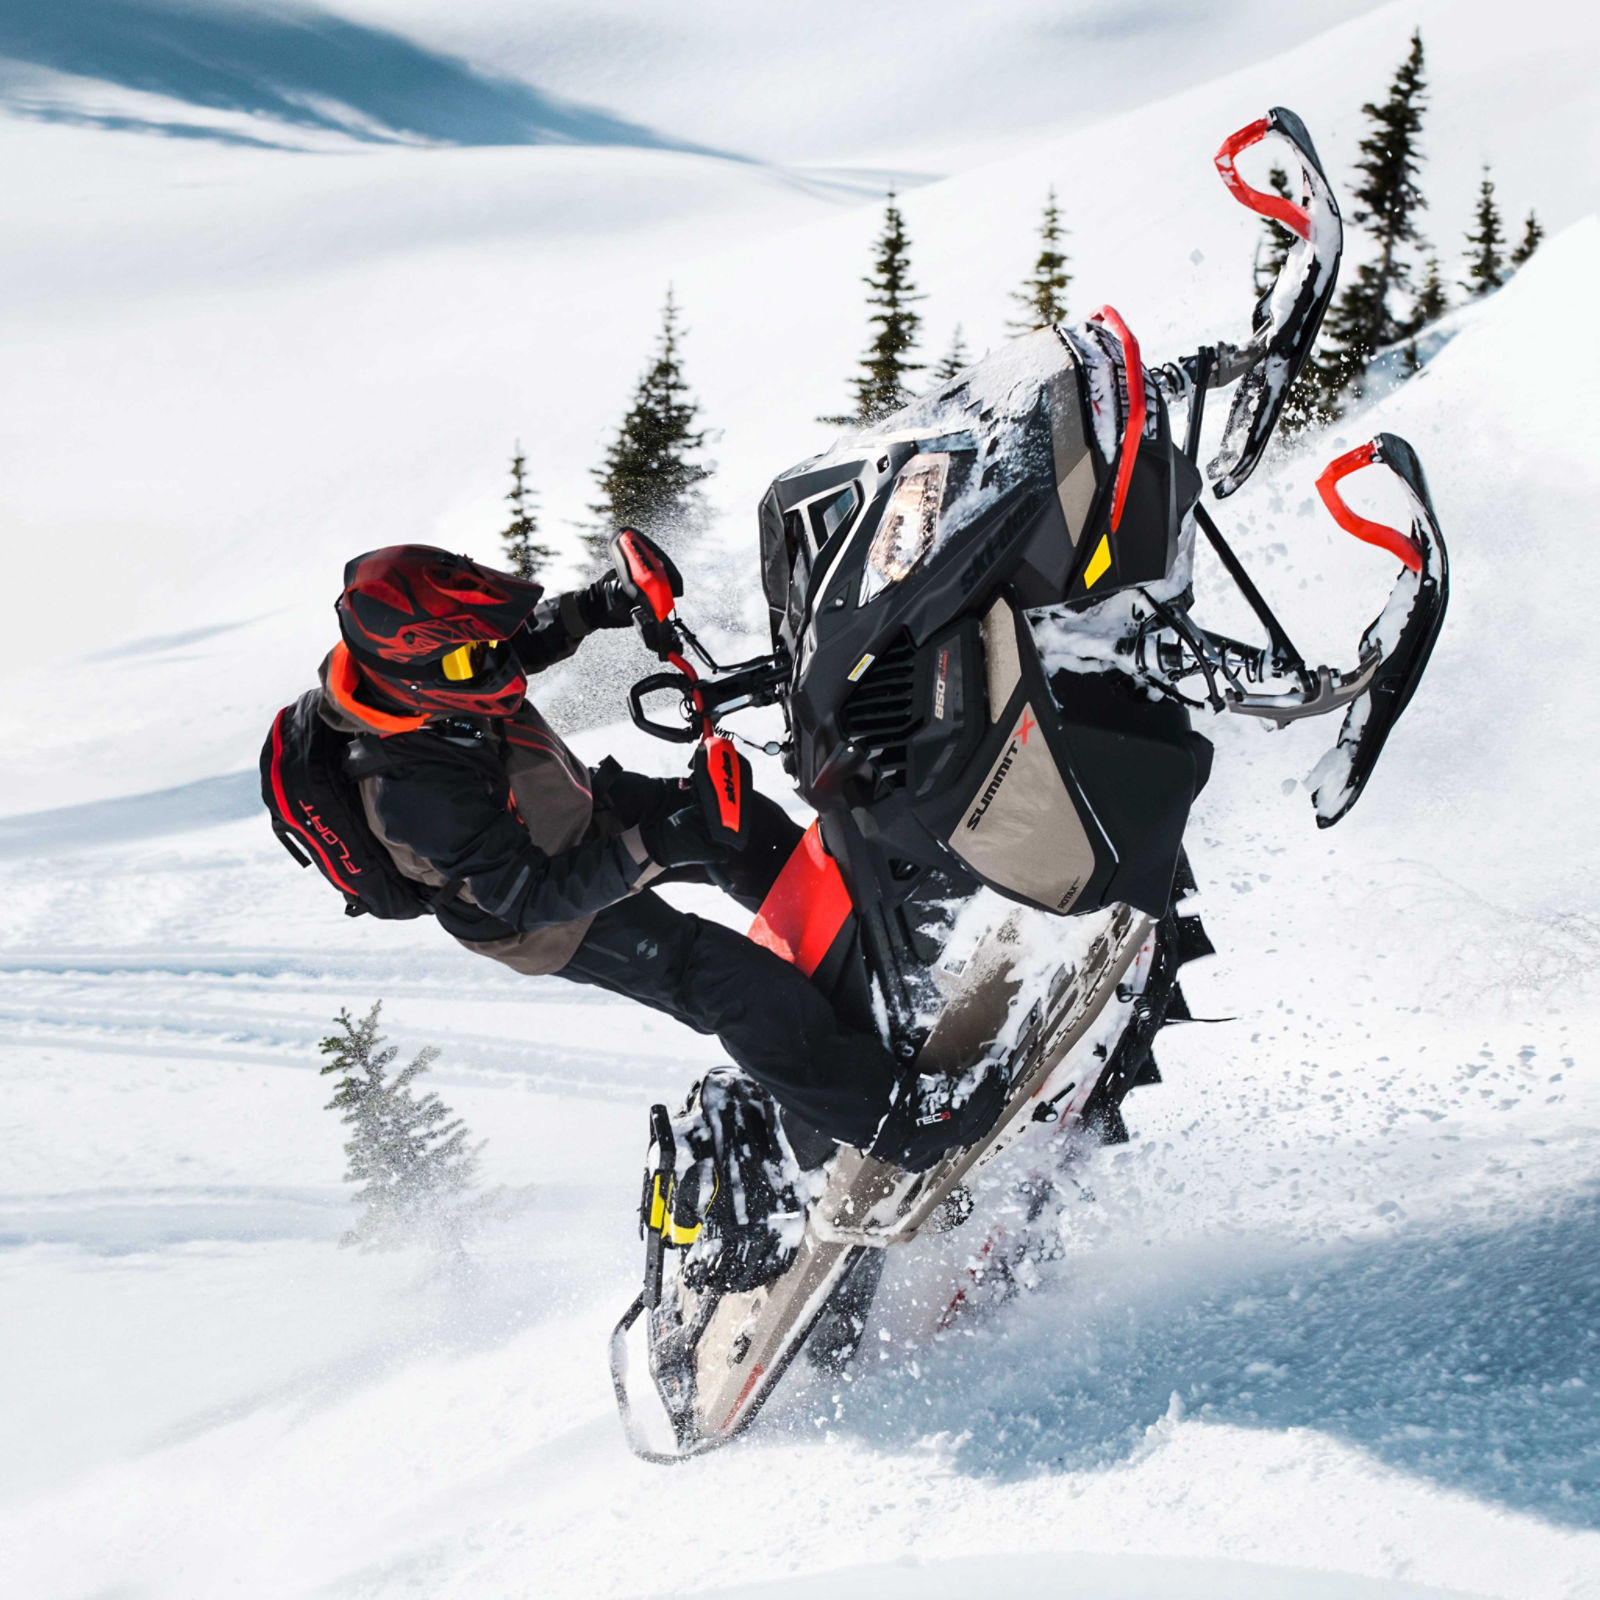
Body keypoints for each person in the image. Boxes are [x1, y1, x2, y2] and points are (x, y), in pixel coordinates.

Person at [317, 542, 981, 1167]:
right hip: (538, 913)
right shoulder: (412, 791)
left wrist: (600, 603)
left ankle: (885, 972)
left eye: (484, 647)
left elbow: (511, 644)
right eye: (470, 660)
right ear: (414, 676)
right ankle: (898, 1126)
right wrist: (661, 842)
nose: (493, 662)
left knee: (746, 830)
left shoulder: (441, 670)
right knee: (733, 986)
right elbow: (530, 894)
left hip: (566, 809)